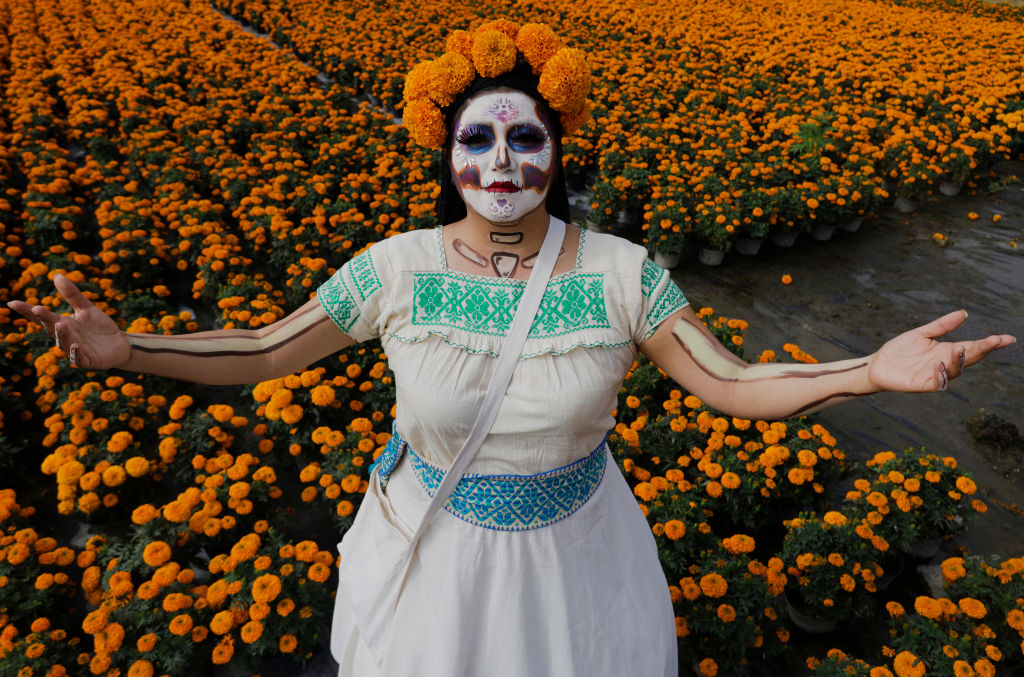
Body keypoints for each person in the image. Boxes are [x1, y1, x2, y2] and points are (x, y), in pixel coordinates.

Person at [7, 19, 1015, 677]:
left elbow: (729, 380)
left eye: (524, 138)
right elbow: (270, 348)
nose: (501, 160)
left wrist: (865, 373)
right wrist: (127, 344)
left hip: (576, 561)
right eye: (478, 140)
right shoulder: (397, 267)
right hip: (435, 558)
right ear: (445, 155)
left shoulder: (619, 272)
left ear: (557, 149)